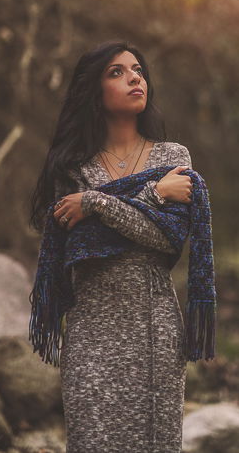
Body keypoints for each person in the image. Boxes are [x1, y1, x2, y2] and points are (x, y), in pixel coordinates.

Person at [29, 40, 196, 453]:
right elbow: (79, 244)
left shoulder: (173, 156)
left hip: (153, 328)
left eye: (136, 69)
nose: (133, 77)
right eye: (116, 72)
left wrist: (97, 203)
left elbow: (167, 239)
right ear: (93, 91)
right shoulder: (71, 168)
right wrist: (154, 197)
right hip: (90, 329)